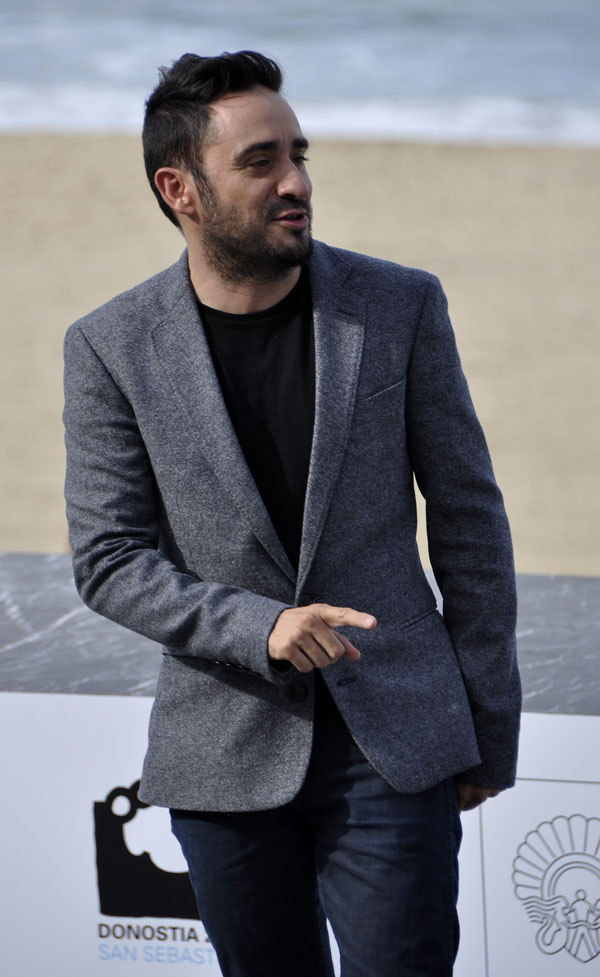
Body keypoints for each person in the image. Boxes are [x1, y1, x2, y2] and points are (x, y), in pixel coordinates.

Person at [63, 50, 521, 977]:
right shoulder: (110, 347)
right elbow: (108, 558)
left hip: (395, 737)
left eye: (299, 155)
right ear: (179, 190)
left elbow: (468, 516)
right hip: (221, 745)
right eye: (260, 161)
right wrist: (260, 626)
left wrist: (488, 723)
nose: (296, 183)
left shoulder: (398, 305)